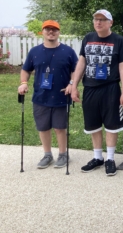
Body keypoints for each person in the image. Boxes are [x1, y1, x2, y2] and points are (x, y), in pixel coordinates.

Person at [71, 9, 123, 177]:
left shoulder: (118, 40)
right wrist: (74, 85)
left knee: (112, 124)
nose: (99, 22)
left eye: (103, 20)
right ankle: (97, 157)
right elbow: (82, 62)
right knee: (93, 124)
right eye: (96, 19)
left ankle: (110, 159)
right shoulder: (88, 38)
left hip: (110, 87)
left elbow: (122, 67)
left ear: (110, 22)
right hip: (90, 87)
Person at [18, 20, 78, 169]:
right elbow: (26, 69)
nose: (51, 32)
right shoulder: (34, 51)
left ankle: (63, 155)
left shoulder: (68, 51)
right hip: (40, 96)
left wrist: (72, 84)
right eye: (48, 29)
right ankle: (47, 155)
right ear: (42, 32)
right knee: (43, 127)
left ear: (59, 32)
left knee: (59, 127)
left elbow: (76, 70)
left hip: (61, 95)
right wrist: (24, 83)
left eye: (54, 29)